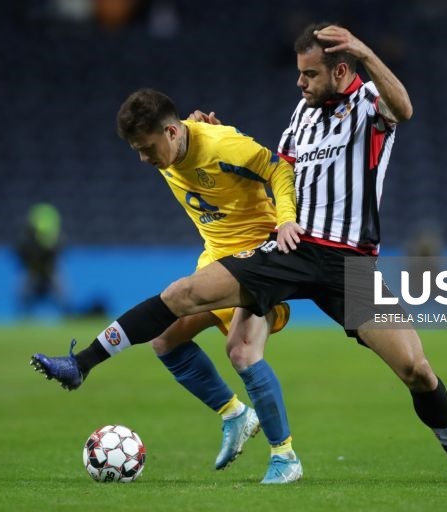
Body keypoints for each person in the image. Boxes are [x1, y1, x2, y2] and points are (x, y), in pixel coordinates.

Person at [33, 23, 447, 484]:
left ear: (340, 70)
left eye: (310, 73)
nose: (300, 82)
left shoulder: (370, 102)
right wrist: (210, 132)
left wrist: (366, 53)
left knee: (415, 368)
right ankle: (86, 363)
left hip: (349, 262)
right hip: (289, 245)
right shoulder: (302, 114)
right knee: (186, 295)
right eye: (299, 71)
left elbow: (406, 109)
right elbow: (275, 167)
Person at [32, 88, 305, 483]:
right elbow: (190, 147)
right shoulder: (177, 142)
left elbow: (278, 168)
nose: (144, 159)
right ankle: (235, 415)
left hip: (257, 256)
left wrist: (284, 220)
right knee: (166, 342)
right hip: (216, 258)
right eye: (136, 150)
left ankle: (286, 458)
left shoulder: (222, 144)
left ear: (172, 133)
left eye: (147, 147)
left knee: (242, 351)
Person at [16, 202, 74, 318]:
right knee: (24, 293)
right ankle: (24, 318)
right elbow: (20, 255)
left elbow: (61, 251)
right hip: (33, 271)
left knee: (63, 294)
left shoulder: (58, 239)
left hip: (50, 271)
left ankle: (68, 315)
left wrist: (49, 249)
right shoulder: (26, 241)